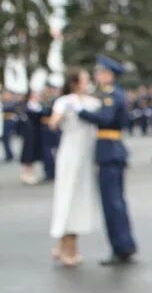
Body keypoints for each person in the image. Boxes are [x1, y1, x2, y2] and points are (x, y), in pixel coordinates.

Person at [76, 56, 138, 265]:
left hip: (110, 151)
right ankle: (124, 245)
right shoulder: (107, 94)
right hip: (111, 150)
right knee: (115, 202)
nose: (98, 75)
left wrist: (81, 112)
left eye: (101, 72)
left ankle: (121, 247)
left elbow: (105, 119)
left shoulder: (112, 96)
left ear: (110, 76)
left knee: (112, 203)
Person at [47, 68, 101, 267]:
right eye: (85, 80)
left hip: (87, 156)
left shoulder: (93, 103)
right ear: (75, 83)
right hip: (70, 154)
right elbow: (52, 123)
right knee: (67, 198)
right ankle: (68, 247)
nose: (88, 83)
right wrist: (63, 113)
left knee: (80, 200)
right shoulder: (65, 101)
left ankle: (65, 246)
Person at [19, 89, 44, 184]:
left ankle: (30, 172)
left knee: (33, 153)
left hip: (37, 132)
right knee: (28, 153)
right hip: (29, 132)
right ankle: (26, 173)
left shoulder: (38, 106)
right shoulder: (27, 106)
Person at [2, 90, 18, 163]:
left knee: (7, 139)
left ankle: (9, 155)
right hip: (3, 123)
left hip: (9, 123)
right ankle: (9, 154)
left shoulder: (12, 103)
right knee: (5, 140)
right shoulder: (3, 102)